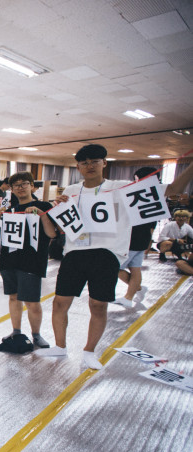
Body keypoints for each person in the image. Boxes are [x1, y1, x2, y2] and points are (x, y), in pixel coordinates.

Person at [37, 144, 193, 369]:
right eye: (84, 163)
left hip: (107, 254)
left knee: (98, 304)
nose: (90, 166)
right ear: (78, 167)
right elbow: (64, 223)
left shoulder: (121, 187)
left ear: (104, 163)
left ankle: (89, 351)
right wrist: (60, 206)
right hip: (75, 252)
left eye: (95, 161)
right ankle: (60, 347)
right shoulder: (71, 190)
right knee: (60, 302)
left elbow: (173, 188)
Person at [0, 171, 57, 353]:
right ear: (11, 189)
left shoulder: (43, 206)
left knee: (32, 301)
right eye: (16, 185)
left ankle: (36, 334)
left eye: (24, 184)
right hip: (9, 260)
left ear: (32, 186)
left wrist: (42, 214)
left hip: (32, 260)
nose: (20, 188)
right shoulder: (9, 211)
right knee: (13, 297)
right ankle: (16, 332)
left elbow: (52, 233)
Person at [112, 167, 159, 308]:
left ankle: (135, 290)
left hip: (132, 239)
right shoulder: (153, 195)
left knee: (114, 267)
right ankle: (131, 294)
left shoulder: (136, 195)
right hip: (143, 238)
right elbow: (153, 224)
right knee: (135, 268)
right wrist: (148, 241)